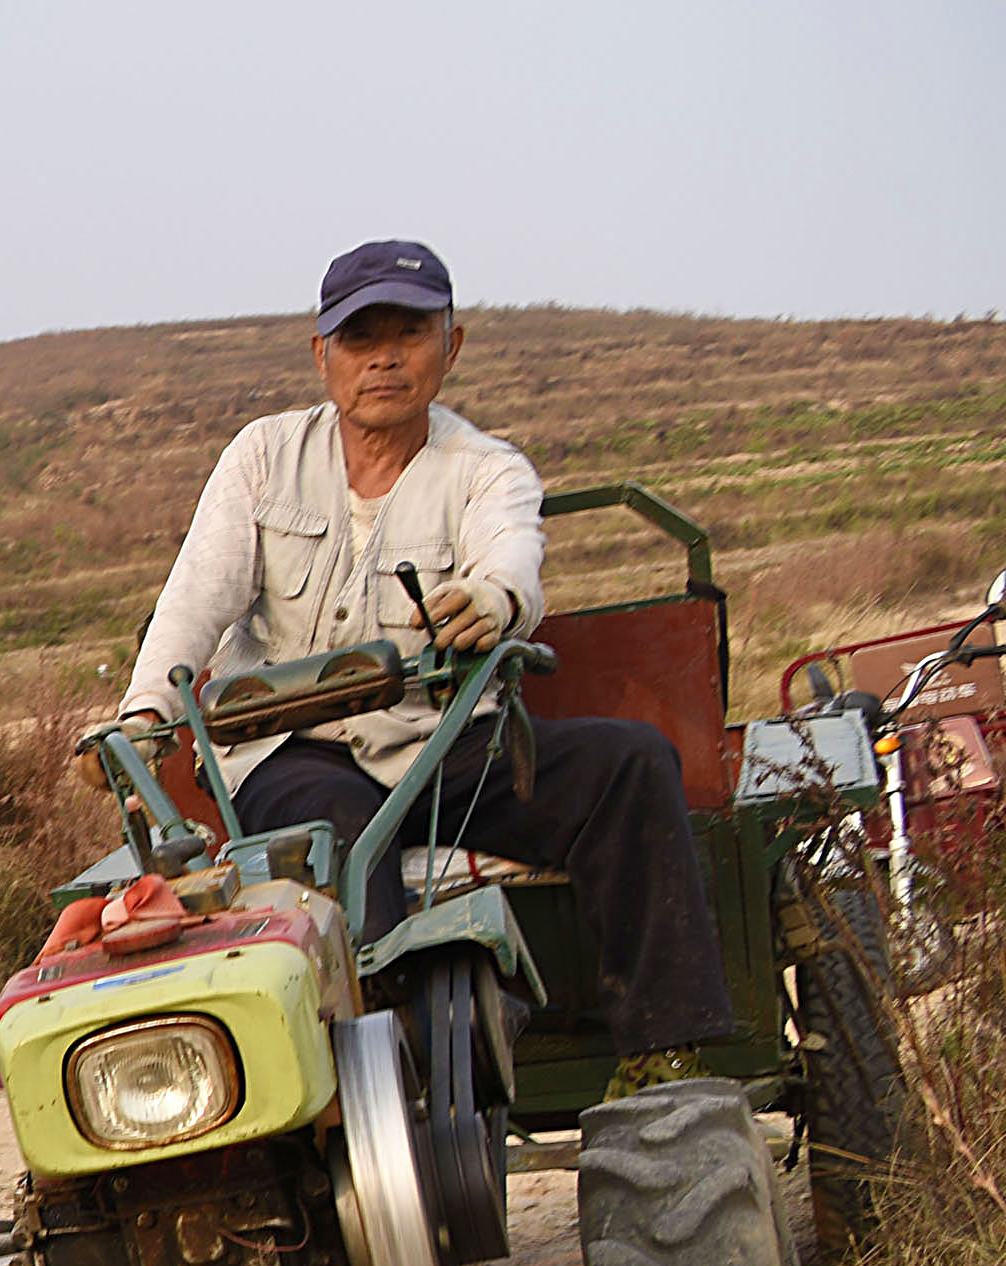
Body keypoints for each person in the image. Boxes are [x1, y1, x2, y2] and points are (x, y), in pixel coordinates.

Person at [107, 238, 734, 1081]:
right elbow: (195, 601)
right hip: (295, 756)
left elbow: (513, 561)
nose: (386, 360)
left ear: (452, 345)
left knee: (632, 765)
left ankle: (665, 1056)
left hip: (445, 748)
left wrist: (491, 601)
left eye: (409, 333)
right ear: (323, 355)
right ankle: (393, 1084)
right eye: (363, 340)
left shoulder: (487, 470)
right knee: (335, 846)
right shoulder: (261, 458)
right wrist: (144, 715)